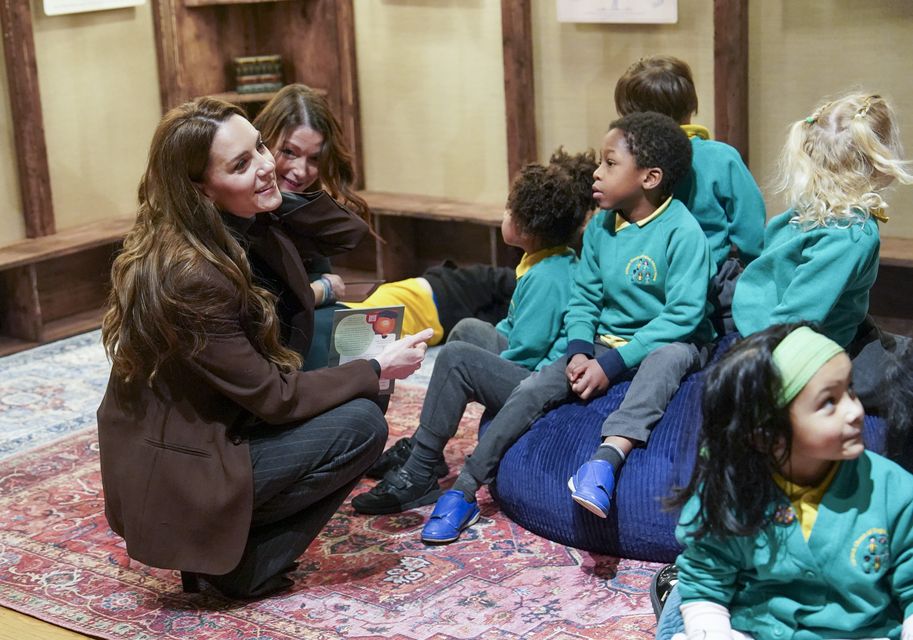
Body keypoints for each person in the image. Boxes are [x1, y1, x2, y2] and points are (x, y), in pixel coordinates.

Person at [97, 97, 432, 599]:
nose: (267, 166)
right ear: (199, 189)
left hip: (212, 432)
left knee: (356, 387)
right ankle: (241, 563)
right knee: (362, 422)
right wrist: (374, 366)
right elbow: (275, 398)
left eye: (259, 147)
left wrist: (267, 186)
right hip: (183, 472)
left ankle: (228, 548)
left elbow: (347, 232)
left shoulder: (232, 224)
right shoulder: (191, 274)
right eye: (240, 163)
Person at [369, 112, 711, 543]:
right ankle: (464, 488)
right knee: (530, 390)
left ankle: (605, 462)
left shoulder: (683, 232)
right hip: (602, 342)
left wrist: (614, 362)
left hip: (663, 342)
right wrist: (583, 350)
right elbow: (585, 299)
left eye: (609, 163)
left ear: (650, 177)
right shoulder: (603, 226)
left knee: (669, 355)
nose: (596, 172)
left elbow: (682, 317)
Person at [350, 158, 588, 519]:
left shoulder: (547, 278)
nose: (505, 213)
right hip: (533, 367)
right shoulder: (546, 261)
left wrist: (474, 376)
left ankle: (421, 470)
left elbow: (526, 353)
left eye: (510, 207)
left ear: (526, 226)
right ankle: (423, 441)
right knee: (466, 329)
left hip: (541, 389)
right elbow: (511, 329)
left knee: (456, 357)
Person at [655, 324, 913, 640]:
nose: (855, 411)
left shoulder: (895, 491)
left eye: (850, 390)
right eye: (829, 403)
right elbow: (707, 578)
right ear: (766, 436)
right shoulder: (731, 490)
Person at [731, 92, 913, 465]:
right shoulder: (855, 233)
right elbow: (795, 319)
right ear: (878, 163)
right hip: (789, 345)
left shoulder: (808, 207)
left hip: (762, 318)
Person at [614, 55, 766, 334]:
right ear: (691, 104)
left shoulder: (626, 164)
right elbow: (753, 237)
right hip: (710, 286)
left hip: (642, 283)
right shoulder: (721, 158)